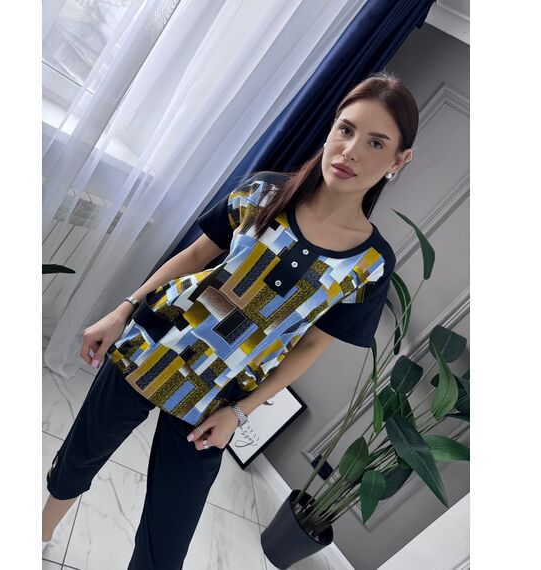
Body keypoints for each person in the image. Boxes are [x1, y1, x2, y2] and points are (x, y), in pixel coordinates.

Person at [42, 70, 418, 569]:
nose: (350, 151)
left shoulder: (370, 264)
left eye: (375, 142)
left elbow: (312, 346)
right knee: (79, 458)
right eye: (345, 130)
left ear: (398, 160)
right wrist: (124, 308)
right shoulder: (263, 192)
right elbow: (195, 256)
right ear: (331, 128)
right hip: (156, 345)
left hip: (219, 396)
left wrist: (239, 414)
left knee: (167, 535)